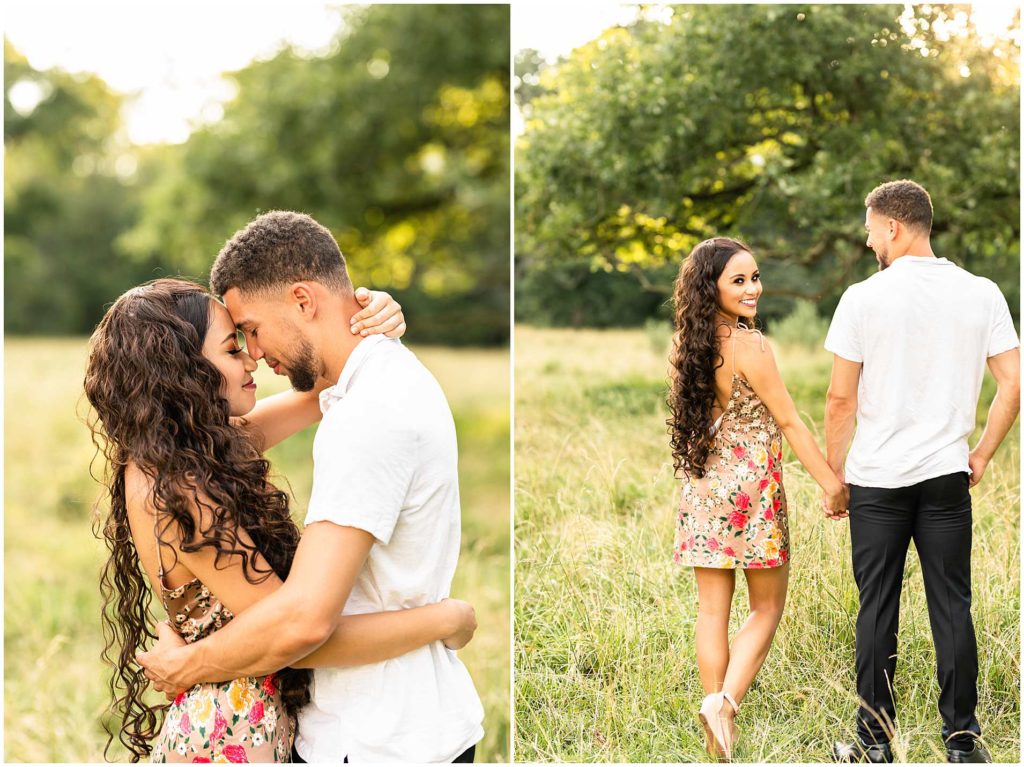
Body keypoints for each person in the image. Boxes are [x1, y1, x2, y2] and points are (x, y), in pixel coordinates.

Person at [136, 212, 485, 763]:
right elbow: (311, 391)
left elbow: (303, 621)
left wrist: (188, 664)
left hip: (377, 739)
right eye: (236, 342)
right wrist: (364, 315)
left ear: (303, 300)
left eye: (250, 329)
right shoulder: (369, 388)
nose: (253, 351)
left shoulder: (370, 410)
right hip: (359, 725)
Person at [826, 180, 1019, 764]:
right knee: (951, 605)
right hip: (945, 476)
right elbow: (1012, 382)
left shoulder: (862, 297)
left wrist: (836, 478)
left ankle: (873, 747)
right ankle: (963, 743)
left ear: (894, 227)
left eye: (869, 228)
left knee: (877, 606)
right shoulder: (981, 292)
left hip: (878, 480)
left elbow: (840, 401)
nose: (866, 240)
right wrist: (980, 453)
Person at [670, 237, 849, 761]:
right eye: (739, 280)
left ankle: (713, 715)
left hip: (702, 487)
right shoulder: (751, 346)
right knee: (767, 606)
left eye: (755, 277)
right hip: (752, 490)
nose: (753, 289)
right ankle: (725, 704)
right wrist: (832, 484)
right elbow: (790, 421)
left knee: (711, 611)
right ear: (714, 287)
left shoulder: (691, 343)